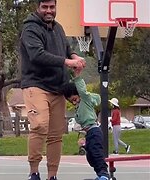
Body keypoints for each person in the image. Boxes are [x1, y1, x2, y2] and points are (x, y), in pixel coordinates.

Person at [19, 0, 86, 179]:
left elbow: (66, 50)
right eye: (45, 7)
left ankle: (52, 175)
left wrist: (74, 56)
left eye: (52, 7)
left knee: (56, 134)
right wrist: (67, 62)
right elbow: (37, 55)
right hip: (36, 84)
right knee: (40, 125)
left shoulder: (59, 28)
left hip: (58, 87)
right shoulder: (30, 29)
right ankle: (33, 172)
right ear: (37, 8)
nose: (49, 11)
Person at [62, 68, 110, 180]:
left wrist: (77, 77)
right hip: (89, 133)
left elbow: (82, 90)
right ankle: (100, 174)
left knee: (96, 153)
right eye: (71, 101)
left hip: (95, 131)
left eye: (74, 99)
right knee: (90, 156)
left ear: (78, 94)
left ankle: (104, 174)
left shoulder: (85, 99)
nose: (74, 102)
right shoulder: (78, 109)